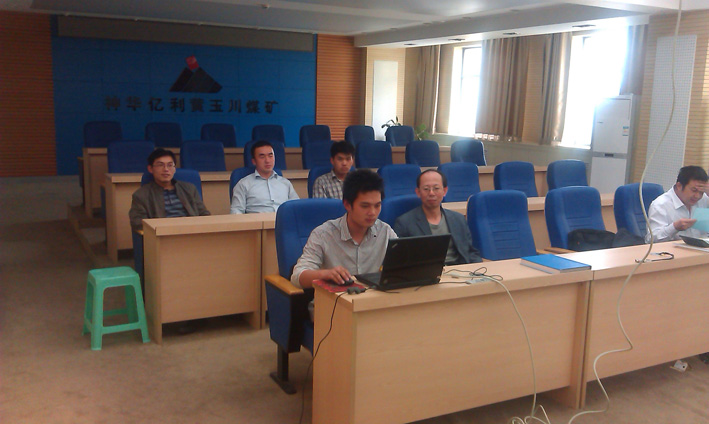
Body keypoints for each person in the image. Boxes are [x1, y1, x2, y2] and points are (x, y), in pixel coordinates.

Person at [292, 169, 397, 289]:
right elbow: (297, 276)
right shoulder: (323, 234)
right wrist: (324, 274)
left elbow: (405, 265)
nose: (372, 212)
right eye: (365, 206)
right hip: (335, 299)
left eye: (377, 205)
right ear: (347, 204)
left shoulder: (385, 231)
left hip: (371, 299)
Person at [394, 169, 482, 265]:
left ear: (445, 191)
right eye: (426, 189)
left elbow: (470, 252)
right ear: (418, 192)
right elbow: (400, 259)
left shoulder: (458, 219)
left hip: (460, 270)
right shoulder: (404, 223)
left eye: (436, 188)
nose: (431, 193)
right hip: (427, 272)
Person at [129, 148, 210, 232]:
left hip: (192, 232)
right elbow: (137, 223)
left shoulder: (189, 189)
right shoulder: (141, 195)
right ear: (150, 169)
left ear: (174, 169)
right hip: (162, 235)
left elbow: (204, 214)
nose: (166, 169)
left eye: (170, 165)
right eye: (160, 165)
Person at [230, 140, 299, 214]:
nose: (267, 160)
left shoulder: (286, 183)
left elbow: (296, 207)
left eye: (270, 156)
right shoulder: (243, 184)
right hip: (257, 221)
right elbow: (236, 212)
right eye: (262, 157)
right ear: (254, 161)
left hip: (284, 220)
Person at [646, 165, 709, 242]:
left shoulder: (703, 199)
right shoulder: (660, 205)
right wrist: (674, 227)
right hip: (671, 248)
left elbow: (704, 232)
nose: (697, 196)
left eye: (701, 192)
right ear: (679, 186)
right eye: (694, 190)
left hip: (699, 247)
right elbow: (651, 240)